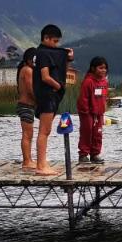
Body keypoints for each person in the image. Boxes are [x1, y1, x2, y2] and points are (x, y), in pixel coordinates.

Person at [32, 24, 72, 176]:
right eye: (54, 41)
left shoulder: (43, 53)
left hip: (48, 96)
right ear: (46, 38)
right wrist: (58, 86)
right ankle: (41, 167)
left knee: (45, 131)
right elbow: (45, 77)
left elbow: (60, 69)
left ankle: (42, 163)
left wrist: (68, 58)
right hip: (47, 95)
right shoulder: (42, 54)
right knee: (44, 131)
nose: (57, 45)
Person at [77, 56, 110, 165]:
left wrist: (103, 109)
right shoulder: (88, 82)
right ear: (93, 69)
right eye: (100, 68)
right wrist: (86, 112)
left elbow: (104, 97)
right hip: (87, 114)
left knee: (97, 134)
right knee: (87, 133)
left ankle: (95, 154)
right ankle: (83, 155)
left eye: (105, 68)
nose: (103, 70)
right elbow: (83, 99)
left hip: (99, 113)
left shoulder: (104, 82)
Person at [16, 44, 38, 169]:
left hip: (28, 106)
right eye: (34, 60)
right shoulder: (27, 70)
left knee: (29, 134)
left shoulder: (26, 69)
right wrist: (40, 101)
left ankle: (29, 159)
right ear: (29, 59)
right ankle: (26, 161)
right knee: (27, 134)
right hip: (26, 105)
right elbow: (31, 90)